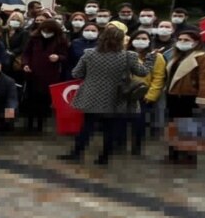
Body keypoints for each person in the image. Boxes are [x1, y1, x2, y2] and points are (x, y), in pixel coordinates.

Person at [57, 27, 146, 165]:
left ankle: (76, 153)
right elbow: (142, 72)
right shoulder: (129, 56)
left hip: (91, 95)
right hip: (116, 96)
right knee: (110, 129)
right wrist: (151, 59)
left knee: (87, 126)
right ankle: (104, 157)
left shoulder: (89, 54)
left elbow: (76, 74)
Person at [165, 31, 205, 165]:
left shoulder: (204, 58)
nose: (182, 42)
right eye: (180, 39)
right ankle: (174, 153)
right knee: (173, 126)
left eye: (186, 40)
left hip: (189, 97)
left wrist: (203, 99)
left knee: (188, 128)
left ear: (196, 42)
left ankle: (189, 156)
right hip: (174, 96)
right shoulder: (177, 56)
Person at [20, 19, 67, 133]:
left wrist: (58, 57)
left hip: (49, 76)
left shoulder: (61, 40)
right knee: (31, 100)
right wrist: (25, 64)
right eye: (44, 30)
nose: (46, 33)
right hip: (33, 74)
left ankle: (40, 124)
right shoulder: (34, 38)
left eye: (49, 31)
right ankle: (29, 123)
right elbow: (26, 53)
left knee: (44, 101)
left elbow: (65, 56)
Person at [128, 29, 167, 156]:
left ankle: (137, 146)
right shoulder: (124, 54)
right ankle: (118, 143)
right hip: (124, 93)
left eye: (144, 39)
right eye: (138, 38)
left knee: (139, 123)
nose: (140, 41)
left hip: (143, 94)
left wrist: (151, 95)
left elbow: (158, 77)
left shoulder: (156, 56)